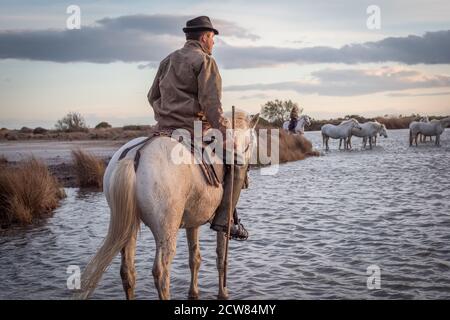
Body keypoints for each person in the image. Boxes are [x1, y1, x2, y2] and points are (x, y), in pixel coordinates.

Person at [147, 16, 248, 240]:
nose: (214, 43)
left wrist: (165, 115)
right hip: (194, 131)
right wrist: (225, 132)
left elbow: (152, 96)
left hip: (162, 129)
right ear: (204, 38)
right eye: (212, 38)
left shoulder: (167, 60)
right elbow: (212, 105)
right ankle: (224, 220)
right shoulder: (205, 60)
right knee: (239, 161)